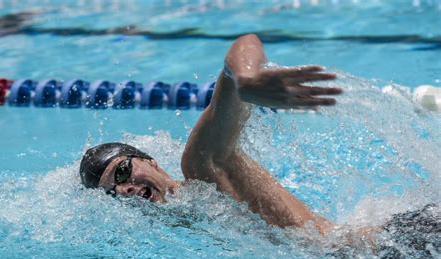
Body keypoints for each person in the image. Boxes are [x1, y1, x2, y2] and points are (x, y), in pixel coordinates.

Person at [80, 34, 342, 234]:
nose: (123, 189)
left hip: (369, 253)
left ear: (149, 160)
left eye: (122, 171)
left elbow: (244, 43)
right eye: (112, 192)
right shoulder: (182, 224)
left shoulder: (201, 169)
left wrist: (245, 81)